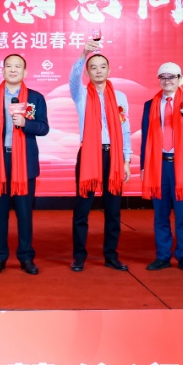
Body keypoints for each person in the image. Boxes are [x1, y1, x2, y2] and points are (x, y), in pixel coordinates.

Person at [0, 54, 49, 275]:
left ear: (25, 72)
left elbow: (44, 128)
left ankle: (26, 257)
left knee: (25, 213)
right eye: (9, 66)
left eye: (18, 66)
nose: (13, 70)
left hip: (24, 161)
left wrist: (26, 123)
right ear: (3, 70)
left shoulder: (35, 97)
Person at [139, 61, 183, 273]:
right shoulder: (150, 105)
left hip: (182, 164)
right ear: (159, 80)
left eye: (172, 77)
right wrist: (143, 166)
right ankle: (162, 256)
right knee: (160, 214)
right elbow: (145, 137)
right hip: (158, 164)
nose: (167, 81)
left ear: (179, 79)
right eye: (163, 77)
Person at [69, 41, 132, 272]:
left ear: (109, 70)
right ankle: (79, 256)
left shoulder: (120, 97)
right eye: (93, 67)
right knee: (82, 209)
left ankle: (111, 255)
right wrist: (84, 54)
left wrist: (126, 160)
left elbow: (125, 129)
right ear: (87, 72)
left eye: (102, 67)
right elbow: (73, 79)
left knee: (113, 210)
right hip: (89, 155)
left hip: (113, 155)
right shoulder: (81, 94)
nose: (98, 71)